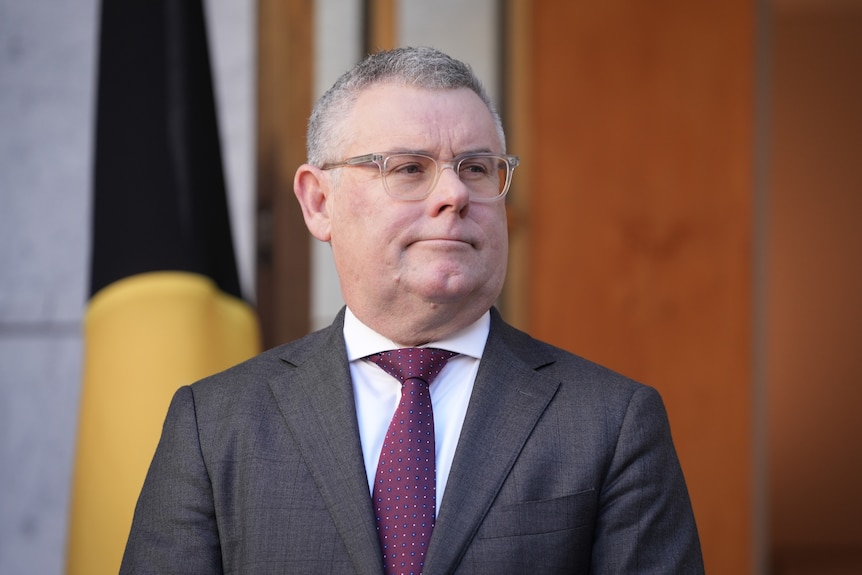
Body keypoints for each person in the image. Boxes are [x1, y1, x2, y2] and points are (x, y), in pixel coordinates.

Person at [120, 46, 704, 574]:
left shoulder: (613, 422)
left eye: (477, 168)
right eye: (408, 169)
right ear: (319, 202)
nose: (454, 194)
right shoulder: (214, 423)